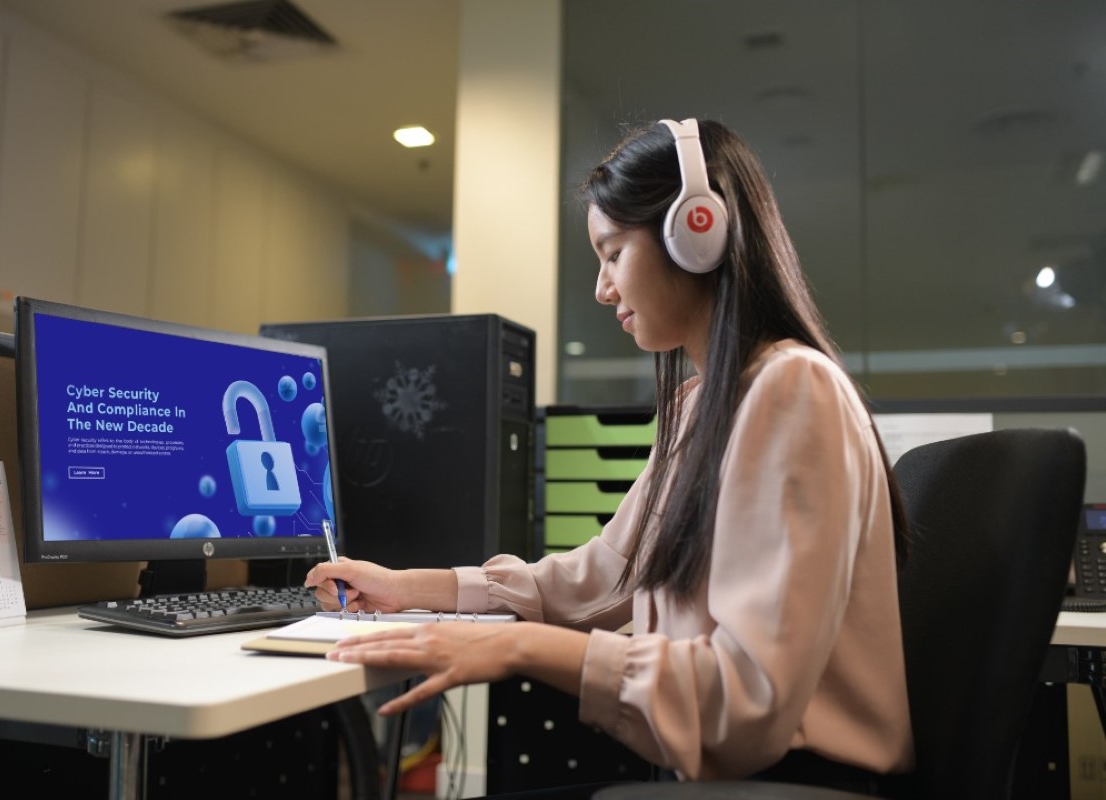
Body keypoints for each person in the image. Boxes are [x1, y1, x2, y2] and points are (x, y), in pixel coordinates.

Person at [305, 118, 914, 795]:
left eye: (614, 252)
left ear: (698, 233)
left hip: (799, 784)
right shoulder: (699, 408)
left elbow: (748, 702)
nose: (602, 288)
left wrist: (516, 647)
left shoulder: (794, 390)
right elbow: (595, 582)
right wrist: (409, 587)